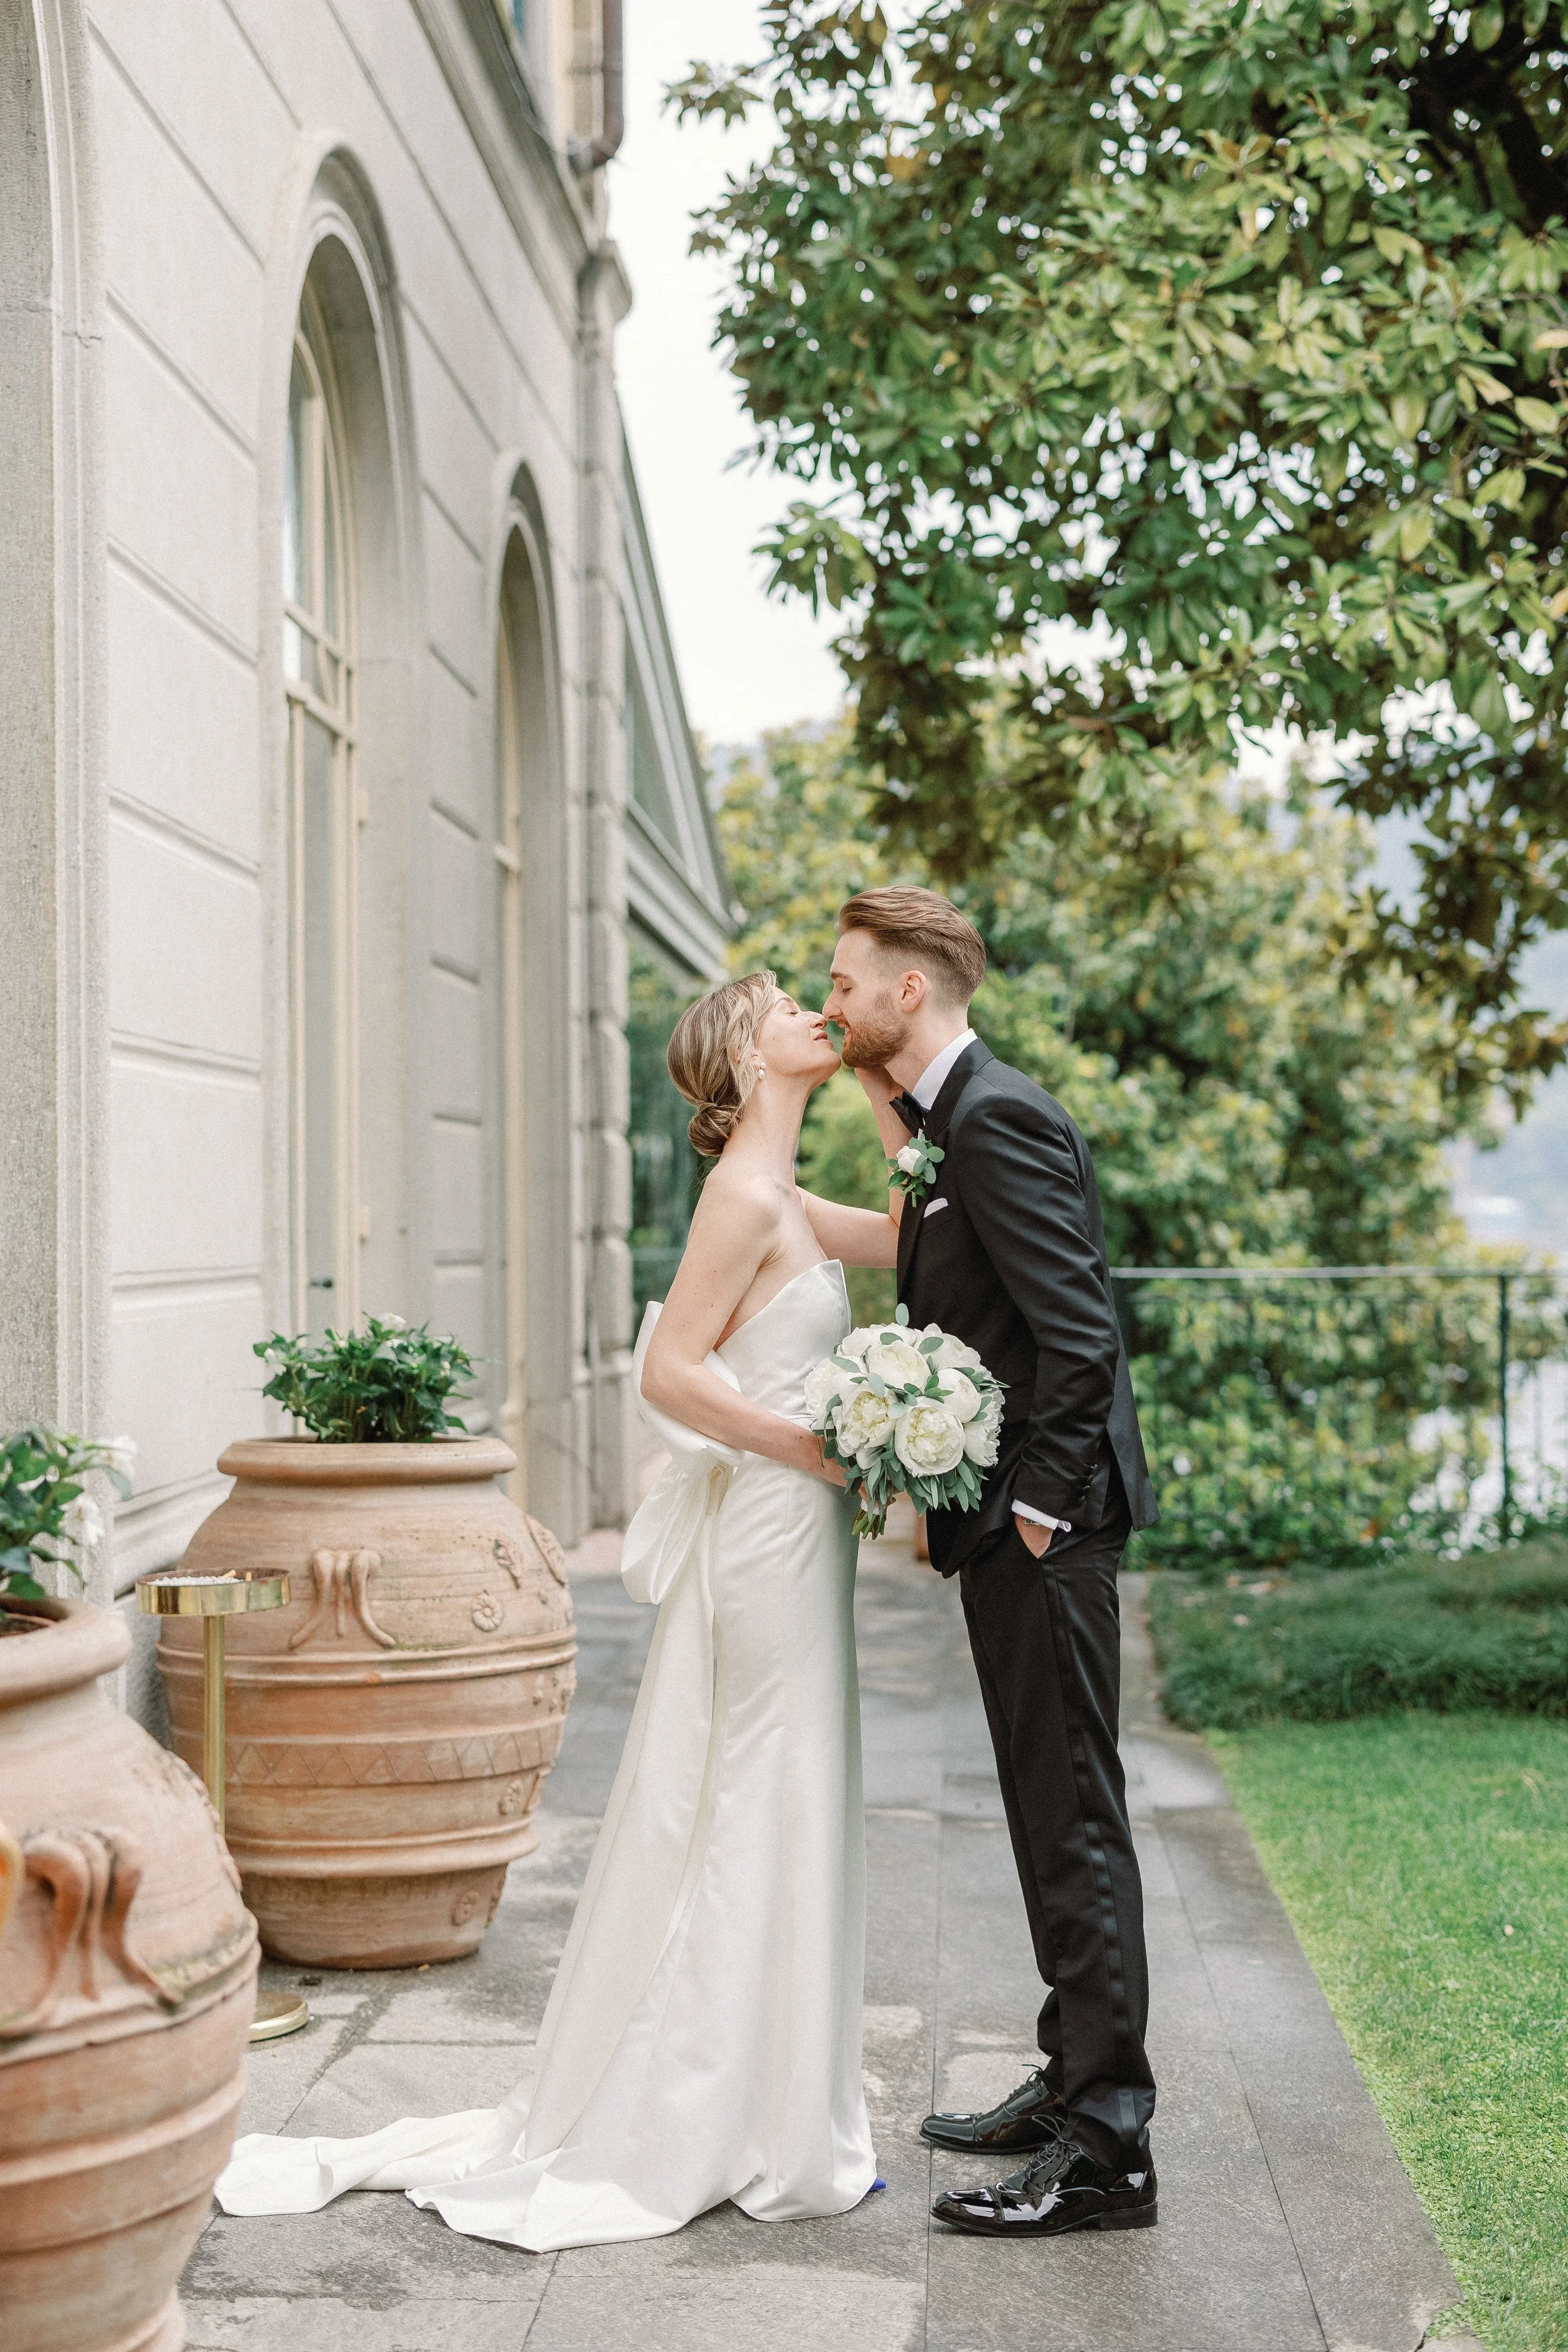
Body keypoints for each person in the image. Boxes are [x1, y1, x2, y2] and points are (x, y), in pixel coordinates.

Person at [214, 973, 903, 2252]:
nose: (812, 1005)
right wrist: (808, 1449)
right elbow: (668, 1372)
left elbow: (916, 1237)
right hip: (765, 1522)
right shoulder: (742, 1198)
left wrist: (874, 1079)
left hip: (797, 1529)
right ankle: (709, 2108)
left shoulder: (787, 1196)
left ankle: (777, 2100)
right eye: (783, 1006)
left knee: (795, 1777)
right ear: (745, 1058)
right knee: (756, 1780)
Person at [824, 886, 1162, 2240]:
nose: (831, 997)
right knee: (1043, 1807)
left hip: (1046, 1528)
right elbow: (956, 1278)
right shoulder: (945, 1121)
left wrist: (1030, 1510)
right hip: (1015, 1524)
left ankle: (1107, 2149)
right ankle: (1070, 2073)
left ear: (912, 990)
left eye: (848, 980)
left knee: (1073, 1818)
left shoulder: (998, 1115)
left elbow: (1079, 1334)